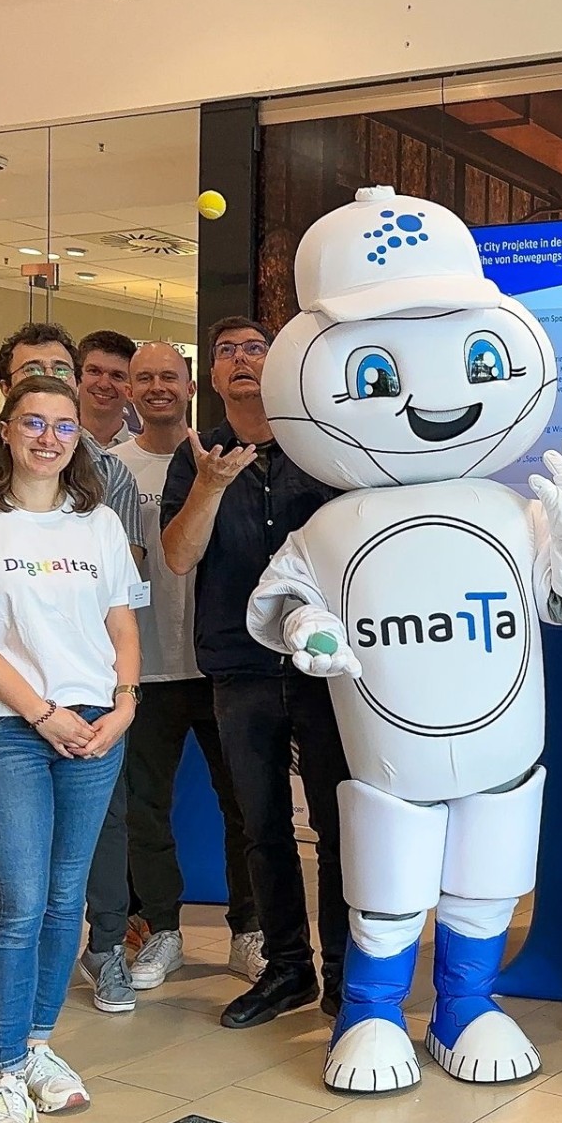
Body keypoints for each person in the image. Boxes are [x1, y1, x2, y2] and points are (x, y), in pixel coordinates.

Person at [0, 375, 140, 1123]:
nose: (49, 438)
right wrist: (42, 714)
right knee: (18, 898)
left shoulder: (100, 523)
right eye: (34, 424)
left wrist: (125, 703)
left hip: (94, 726)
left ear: (80, 438)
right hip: (6, 727)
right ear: (6, 432)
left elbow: (120, 617)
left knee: (64, 897)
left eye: (64, 427)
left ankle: (39, 1043)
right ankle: (6, 1075)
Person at [162, 317, 350, 1026]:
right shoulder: (198, 452)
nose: (240, 360)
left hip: (322, 666)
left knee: (335, 825)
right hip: (238, 665)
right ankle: (288, 971)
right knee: (261, 826)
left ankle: (343, 973)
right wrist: (209, 485)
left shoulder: (321, 443)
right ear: (210, 376)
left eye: (254, 350)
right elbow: (179, 557)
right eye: (225, 352)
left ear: (278, 367)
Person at [107, 342, 264, 990]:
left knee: (245, 803)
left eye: (168, 376)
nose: (156, 387)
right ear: (130, 392)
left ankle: (250, 931)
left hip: (219, 659)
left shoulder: (222, 456)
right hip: (142, 663)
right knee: (145, 807)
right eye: (143, 378)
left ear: (190, 384)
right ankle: (164, 930)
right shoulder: (109, 467)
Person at [76, 329, 137, 447]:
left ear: (131, 387)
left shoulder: (143, 454)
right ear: (77, 375)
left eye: (117, 376)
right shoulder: (55, 445)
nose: (104, 384)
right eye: (94, 371)